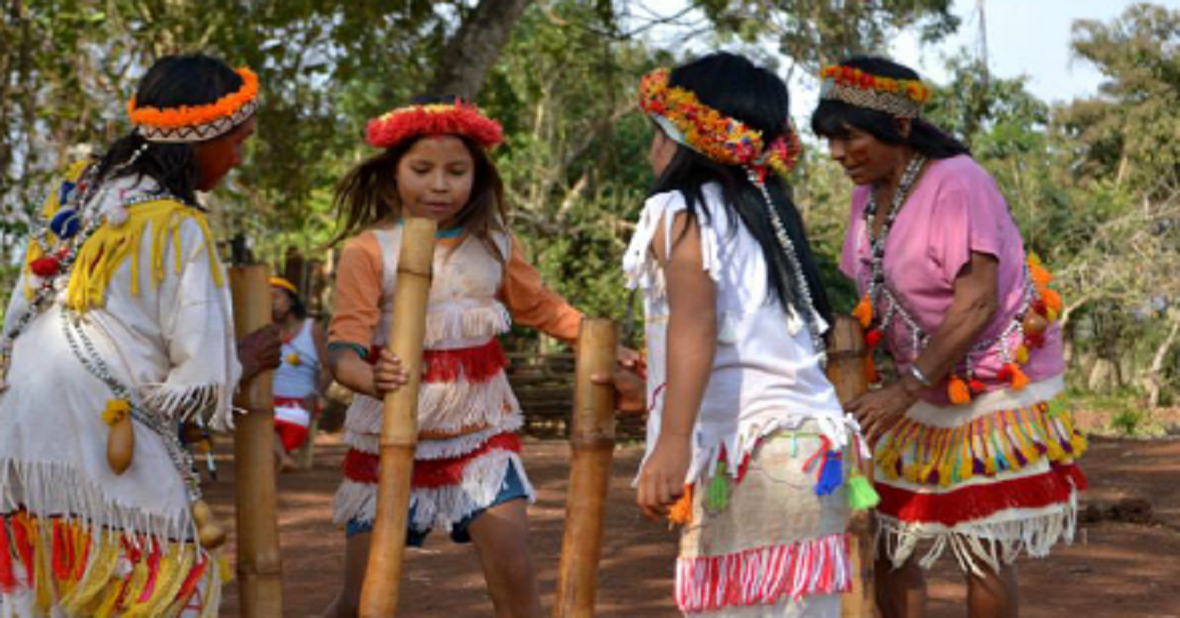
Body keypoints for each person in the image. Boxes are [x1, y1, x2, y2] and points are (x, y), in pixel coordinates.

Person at [810, 56, 1086, 618]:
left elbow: (978, 302)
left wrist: (905, 386)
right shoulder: (867, 193)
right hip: (923, 379)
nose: (838, 154)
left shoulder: (959, 181)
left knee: (978, 540)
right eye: (830, 141)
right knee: (886, 531)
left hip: (996, 375)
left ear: (901, 128)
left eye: (850, 138)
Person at [0, 53, 265, 616]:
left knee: (42, 587)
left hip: (20, 436)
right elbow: (200, 383)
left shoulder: (71, 204)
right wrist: (242, 358)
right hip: (103, 436)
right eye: (238, 142)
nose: (239, 158)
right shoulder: (176, 226)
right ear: (200, 141)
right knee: (159, 585)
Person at [323, 97, 601, 618]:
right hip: (388, 438)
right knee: (359, 602)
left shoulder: (495, 245)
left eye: (456, 171)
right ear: (392, 174)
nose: (439, 185)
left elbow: (544, 309)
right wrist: (369, 376)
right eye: (422, 170)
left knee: (515, 573)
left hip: (480, 434)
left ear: (478, 176)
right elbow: (343, 348)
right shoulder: (369, 251)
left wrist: (609, 346)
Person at [625, 52, 872, 617]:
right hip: (812, 454)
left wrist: (668, 448)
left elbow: (697, 325)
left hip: (752, 456)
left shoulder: (677, 209)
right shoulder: (764, 213)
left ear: (672, 136)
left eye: (653, 134)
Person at [270, 275, 330, 471]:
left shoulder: (312, 329)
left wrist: (317, 394)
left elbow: (327, 368)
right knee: (257, 416)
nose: (271, 303)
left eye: (276, 297)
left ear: (291, 300)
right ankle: (284, 457)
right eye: (266, 298)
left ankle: (282, 455)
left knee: (275, 420)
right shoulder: (266, 331)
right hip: (269, 401)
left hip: (302, 402)